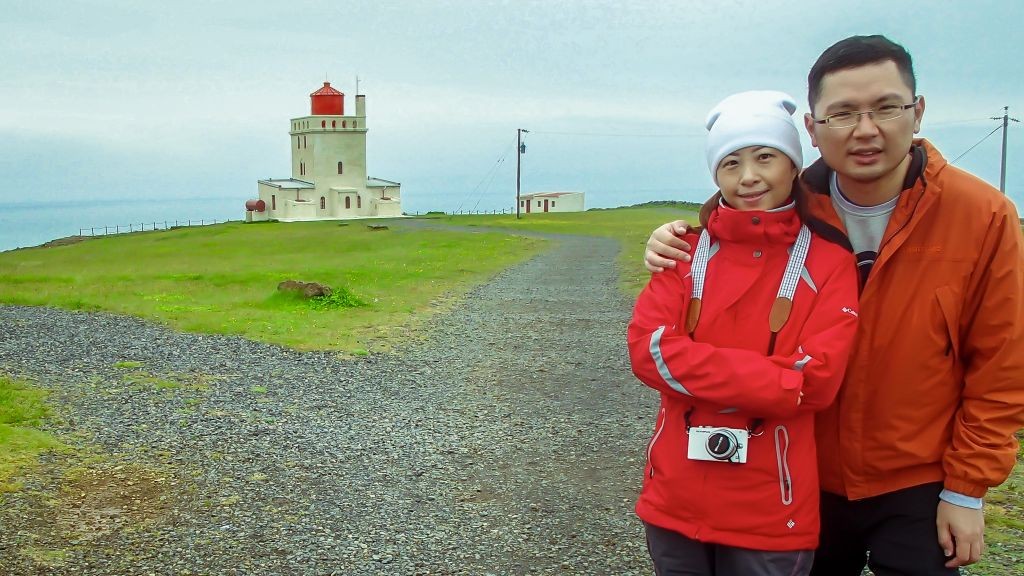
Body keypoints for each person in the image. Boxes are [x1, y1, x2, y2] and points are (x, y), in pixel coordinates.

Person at [643, 35, 1024, 575]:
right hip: (796, 474)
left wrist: (967, 489)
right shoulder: (788, 202)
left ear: (917, 113)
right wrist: (674, 237)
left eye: (886, 107)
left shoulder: (982, 215)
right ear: (813, 128)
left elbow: (1002, 366)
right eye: (842, 113)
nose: (865, 129)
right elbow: (730, 223)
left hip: (919, 480)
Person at [628, 90, 860, 576]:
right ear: (716, 174)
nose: (749, 176)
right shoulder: (683, 251)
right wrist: (774, 381)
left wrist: (695, 366)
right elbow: (649, 352)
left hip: (772, 509)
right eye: (731, 163)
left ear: (794, 165)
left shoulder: (829, 261)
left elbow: (817, 379)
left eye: (765, 157)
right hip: (676, 496)